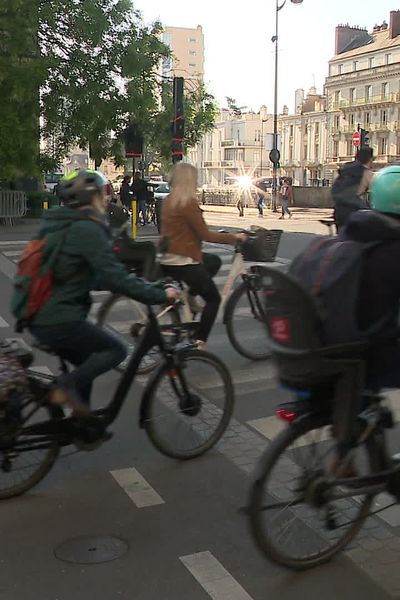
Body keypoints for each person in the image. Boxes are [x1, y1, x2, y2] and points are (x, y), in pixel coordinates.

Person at [25, 169, 177, 414]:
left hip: (38, 314)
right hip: (58, 318)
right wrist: (160, 295)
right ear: (91, 197)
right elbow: (113, 277)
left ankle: (80, 421)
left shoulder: (60, 223)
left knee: (87, 360)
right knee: (116, 350)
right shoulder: (87, 229)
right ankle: (65, 387)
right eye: (102, 194)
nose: (106, 199)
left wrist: (148, 285)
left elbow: (87, 277)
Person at [160, 163, 246, 350]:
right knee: (213, 300)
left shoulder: (168, 200)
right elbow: (206, 235)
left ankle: (190, 297)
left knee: (213, 261)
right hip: (183, 261)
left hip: (168, 258)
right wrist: (234, 237)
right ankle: (200, 341)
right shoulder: (187, 203)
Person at [333, 147, 374, 231]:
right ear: (370, 159)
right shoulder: (366, 173)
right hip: (356, 213)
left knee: (342, 239)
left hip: (339, 212)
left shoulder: (345, 170)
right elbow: (378, 190)